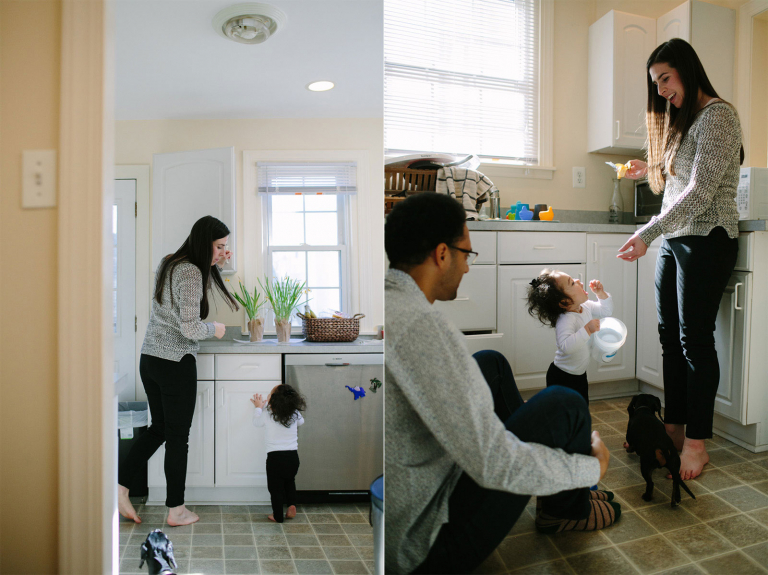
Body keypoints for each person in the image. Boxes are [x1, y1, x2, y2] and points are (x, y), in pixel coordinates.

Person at [385, 193, 619, 575]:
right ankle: (566, 508)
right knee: (564, 401)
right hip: (425, 542)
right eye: (467, 254)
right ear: (442, 254)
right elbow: (494, 463)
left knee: (490, 363)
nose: (467, 267)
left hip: (430, 486)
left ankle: (558, 492)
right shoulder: (419, 328)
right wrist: (588, 470)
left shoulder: (395, 304)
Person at [618, 38, 742, 481]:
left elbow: (699, 192)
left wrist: (646, 233)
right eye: (656, 83)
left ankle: (696, 443)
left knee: (694, 340)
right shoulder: (682, 122)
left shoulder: (720, 117)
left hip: (707, 238)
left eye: (665, 78)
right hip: (675, 239)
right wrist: (647, 167)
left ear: (687, 70)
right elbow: (674, 182)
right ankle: (672, 427)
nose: (662, 89)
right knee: (670, 338)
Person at [118, 215, 239, 526]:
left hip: (150, 358)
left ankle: (119, 488)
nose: (222, 252)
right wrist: (215, 328)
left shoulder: (170, 262)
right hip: (175, 363)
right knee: (176, 438)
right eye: (220, 247)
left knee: (158, 430)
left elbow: (180, 303)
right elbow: (189, 327)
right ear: (204, 243)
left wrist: (219, 263)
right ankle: (176, 510)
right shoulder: (191, 273)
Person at [527, 269, 613, 404]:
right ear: (564, 302)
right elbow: (565, 346)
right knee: (561, 414)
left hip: (579, 374)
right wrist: (587, 330)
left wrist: (600, 294)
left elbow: (605, 311)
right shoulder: (566, 319)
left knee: (581, 408)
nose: (578, 281)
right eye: (572, 283)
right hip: (562, 377)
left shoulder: (585, 306)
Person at [251, 384, 306, 523]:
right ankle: (292, 504)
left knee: (275, 489)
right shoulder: (295, 414)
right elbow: (301, 422)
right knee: (289, 481)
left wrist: (258, 407)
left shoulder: (268, 415)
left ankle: (278, 515)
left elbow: (256, 422)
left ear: (272, 401)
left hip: (275, 459)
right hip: (293, 458)